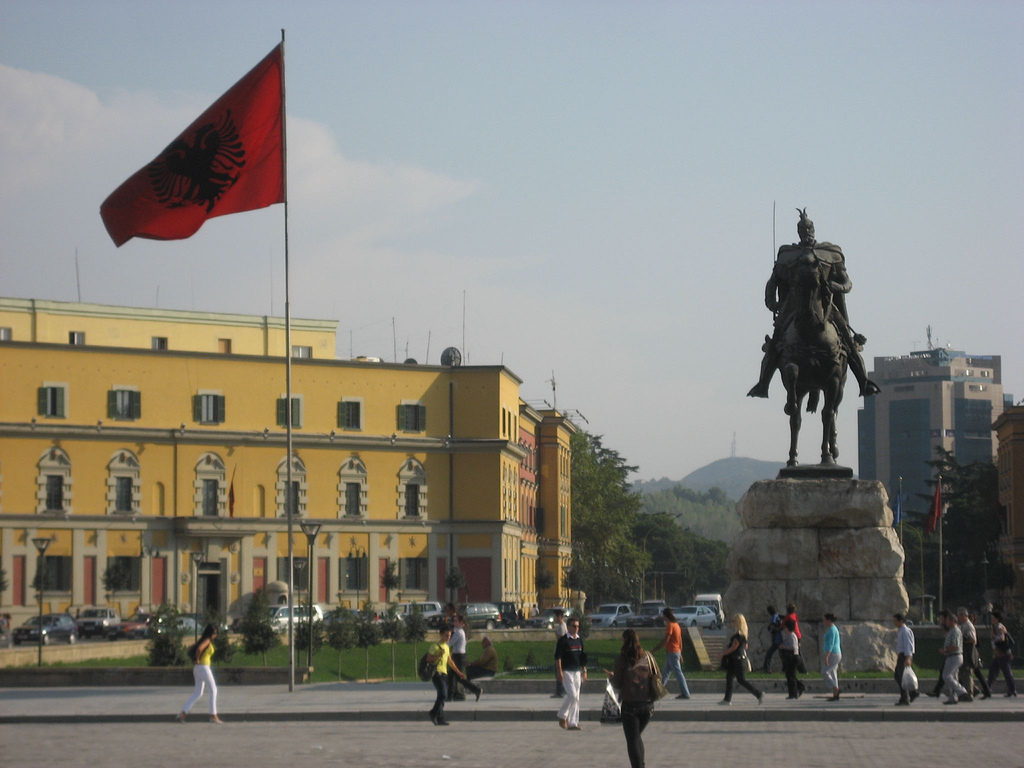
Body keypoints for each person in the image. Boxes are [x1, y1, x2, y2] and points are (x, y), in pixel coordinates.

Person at [748, 208, 880, 399]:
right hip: (793, 306)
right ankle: (763, 384)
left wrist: (834, 285)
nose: (806, 232)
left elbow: (847, 283)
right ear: (798, 232)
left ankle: (863, 382)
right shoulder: (787, 254)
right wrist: (772, 303)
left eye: (809, 228)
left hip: (825, 303)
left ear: (814, 230)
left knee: (847, 339)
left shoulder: (830, 253)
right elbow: (773, 282)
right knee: (776, 342)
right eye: (803, 229)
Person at [610, 629, 656, 768]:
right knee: (636, 737)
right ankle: (641, 764)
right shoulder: (647, 657)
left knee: (632, 740)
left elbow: (617, 683)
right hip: (647, 705)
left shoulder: (621, 659)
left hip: (630, 706)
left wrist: (612, 677)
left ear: (625, 641)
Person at [425, 625, 472, 726]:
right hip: (436, 673)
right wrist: (438, 655)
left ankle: (440, 718)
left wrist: (458, 672)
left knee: (441, 696)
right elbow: (428, 659)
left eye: (450, 636)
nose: (448, 638)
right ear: (441, 635)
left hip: (444, 674)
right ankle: (433, 713)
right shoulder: (435, 646)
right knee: (443, 695)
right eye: (446, 635)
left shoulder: (446, 647)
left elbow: (450, 661)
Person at [177, 623, 222, 724]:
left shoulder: (202, 640)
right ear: (210, 633)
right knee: (213, 690)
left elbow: (189, 649)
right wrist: (197, 658)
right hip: (204, 668)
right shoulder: (207, 641)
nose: (216, 635)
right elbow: (199, 649)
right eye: (215, 633)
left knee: (198, 693)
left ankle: (183, 714)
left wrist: (194, 660)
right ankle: (213, 715)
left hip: (197, 668)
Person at [717, 613, 763, 705]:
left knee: (741, 680)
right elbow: (745, 647)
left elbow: (733, 648)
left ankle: (758, 694)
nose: (732, 623)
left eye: (733, 621)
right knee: (729, 678)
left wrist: (722, 654)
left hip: (737, 660)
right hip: (736, 660)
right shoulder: (743, 636)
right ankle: (727, 699)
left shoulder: (738, 636)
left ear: (738, 622)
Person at [555, 616, 587, 730]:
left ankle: (573, 723)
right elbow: (558, 658)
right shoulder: (563, 641)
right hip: (567, 671)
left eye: (578, 626)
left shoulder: (579, 640)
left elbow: (583, 657)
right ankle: (562, 715)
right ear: (568, 627)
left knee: (576, 697)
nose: (576, 628)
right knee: (572, 695)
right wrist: (559, 672)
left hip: (577, 671)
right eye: (574, 626)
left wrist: (584, 671)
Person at [650, 607, 690, 699]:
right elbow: (680, 640)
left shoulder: (670, 625)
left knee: (678, 673)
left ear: (666, 616)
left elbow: (666, 640)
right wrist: (680, 653)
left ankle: (685, 693)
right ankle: (658, 693)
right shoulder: (676, 625)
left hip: (672, 652)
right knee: (665, 674)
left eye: (664, 616)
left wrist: (654, 650)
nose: (663, 618)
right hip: (674, 652)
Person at [956, 607, 991, 699]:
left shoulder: (968, 625)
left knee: (968, 673)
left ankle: (972, 692)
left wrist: (961, 641)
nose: (958, 618)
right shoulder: (964, 625)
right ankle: (977, 690)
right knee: (971, 673)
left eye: (959, 616)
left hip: (970, 653)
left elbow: (973, 640)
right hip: (967, 653)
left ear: (964, 615)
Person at [938, 609, 969, 705]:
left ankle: (962, 692)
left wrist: (945, 650)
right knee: (953, 677)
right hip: (954, 656)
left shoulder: (955, 631)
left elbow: (955, 646)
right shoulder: (952, 630)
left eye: (947, 620)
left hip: (954, 656)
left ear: (952, 621)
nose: (945, 622)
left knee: (946, 675)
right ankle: (953, 697)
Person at [987, 610, 1017, 697]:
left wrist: (993, 636)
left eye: (993, 618)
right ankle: (988, 689)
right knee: (993, 671)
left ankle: (1012, 689)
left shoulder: (1000, 627)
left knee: (1006, 672)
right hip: (998, 654)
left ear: (997, 619)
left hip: (1003, 654)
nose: (991, 619)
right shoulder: (996, 627)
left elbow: (1001, 638)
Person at [893, 613, 919, 705]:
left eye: (896, 621)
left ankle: (905, 697)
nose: (894, 623)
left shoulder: (905, 631)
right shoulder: (900, 631)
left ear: (901, 621)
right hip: (901, 655)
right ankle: (911, 693)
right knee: (898, 676)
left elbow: (908, 645)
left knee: (901, 677)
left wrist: (908, 657)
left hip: (905, 655)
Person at [780, 617, 804, 699]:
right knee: (790, 675)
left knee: (791, 676)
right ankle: (799, 687)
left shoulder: (792, 636)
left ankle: (793, 693)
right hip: (790, 657)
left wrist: (783, 646)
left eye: (786, 627)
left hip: (793, 657)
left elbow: (793, 647)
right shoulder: (789, 635)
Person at [821, 613, 842, 701]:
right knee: (833, 673)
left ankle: (835, 689)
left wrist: (827, 656)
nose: (824, 622)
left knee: (824, 672)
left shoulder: (832, 630)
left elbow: (831, 644)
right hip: (835, 653)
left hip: (833, 653)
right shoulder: (832, 629)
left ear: (829, 621)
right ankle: (835, 695)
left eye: (824, 620)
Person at [762, 605, 783, 673]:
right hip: (779, 638)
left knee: (769, 654)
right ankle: (785, 668)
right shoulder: (778, 616)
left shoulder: (774, 617)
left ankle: (767, 668)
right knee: (782, 654)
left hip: (776, 639)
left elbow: (773, 624)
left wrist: (770, 627)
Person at [552, 609, 567, 698]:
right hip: (560, 652)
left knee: (558, 671)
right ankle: (559, 691)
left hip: (560, 653)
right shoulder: (561, 626)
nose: (554, 618)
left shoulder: (562, 627)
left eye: (555, 616)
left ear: (559, 617)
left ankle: (560, 691)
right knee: (558, 672)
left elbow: (560, 639)